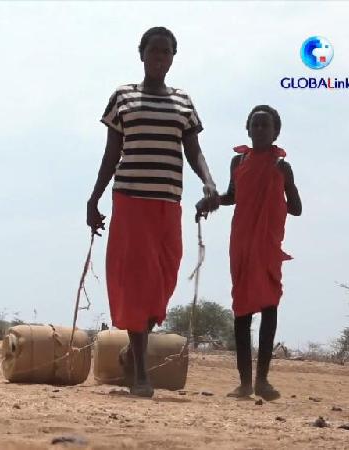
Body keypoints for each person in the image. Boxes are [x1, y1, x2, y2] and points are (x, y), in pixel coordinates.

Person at [88, 27, 219, 397]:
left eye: (166, 52)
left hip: (168, 202)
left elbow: (194, 150)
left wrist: (209, 182)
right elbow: (111, 154)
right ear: (141, 53)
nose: (159, 57)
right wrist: (94, 199)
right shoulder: (123, 97)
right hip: (131, 200)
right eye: (154, 50)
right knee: (137, 282)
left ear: (173, 57)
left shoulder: (183, 101)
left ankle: (133, 353)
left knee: (162, 280)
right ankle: (141, 375)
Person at [198, 105, 301, 400]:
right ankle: (244, 383)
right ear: (248, 129)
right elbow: (233, 195)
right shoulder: (239, 160)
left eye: (265, 125)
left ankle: (262, 381)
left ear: (275, 132)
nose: (259, 130)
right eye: (255, 125)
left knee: (269, 305)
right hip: (242, 241)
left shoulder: (281, 166)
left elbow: (296, 209)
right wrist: (211, 201)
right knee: (242, 308)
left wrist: (285, 186)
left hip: (267, 244)